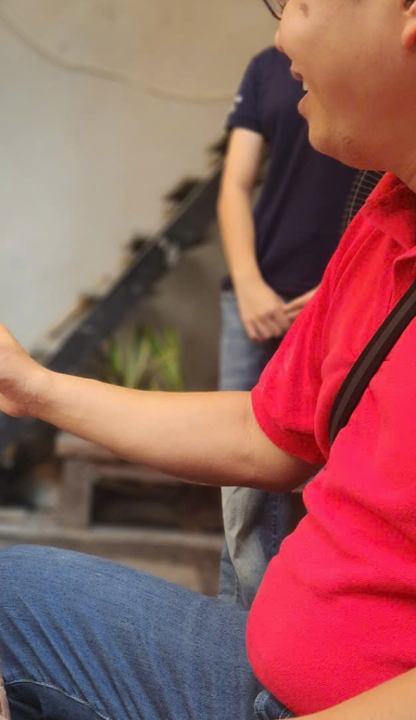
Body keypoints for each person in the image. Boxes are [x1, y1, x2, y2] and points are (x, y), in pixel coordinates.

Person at [0, 1, 416, 715]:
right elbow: (265, 435)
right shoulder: (385, 212)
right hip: (274, 667)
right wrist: (33, 388)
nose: (280, 35)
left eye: (301, 3)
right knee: (5, 585)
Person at [216, 45, 357, 608]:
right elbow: (234, 185)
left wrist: (349, 283)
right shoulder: (268, 66)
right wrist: (248, 283)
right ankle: (237, 615)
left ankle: (300, 619)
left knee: (336, 462)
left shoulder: (370, 62)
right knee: (240, 477)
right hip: (257, 297)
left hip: (345, 296)